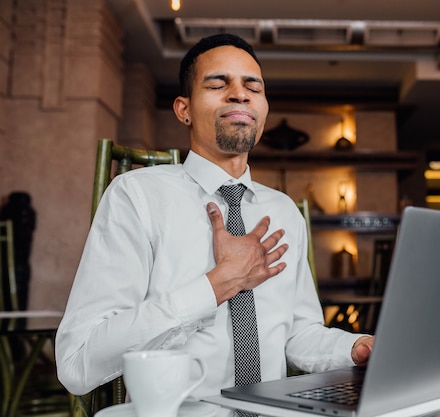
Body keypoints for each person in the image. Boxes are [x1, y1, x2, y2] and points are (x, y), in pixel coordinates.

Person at [55, 33, 374, 398]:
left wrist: (355, 347)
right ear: (183, 109)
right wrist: (216, 285)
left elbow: (298, 335)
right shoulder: (136, 195)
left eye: (252, 85)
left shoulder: (284, 211)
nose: (240, 93)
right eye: (218, 83)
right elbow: (77, 363)